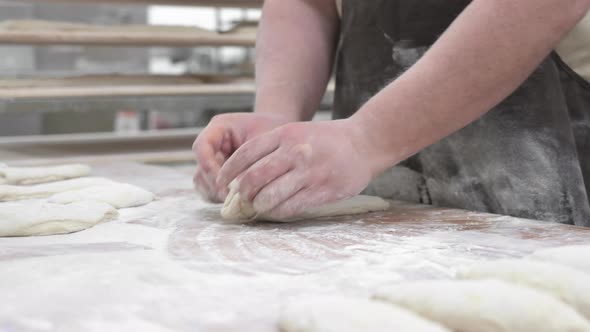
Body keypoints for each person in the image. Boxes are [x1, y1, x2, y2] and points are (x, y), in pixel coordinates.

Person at [193, 0, 590, 227]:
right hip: (385, 218)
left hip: (561, 208)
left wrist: (367, 139)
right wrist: (276, 120)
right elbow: (304, 5)